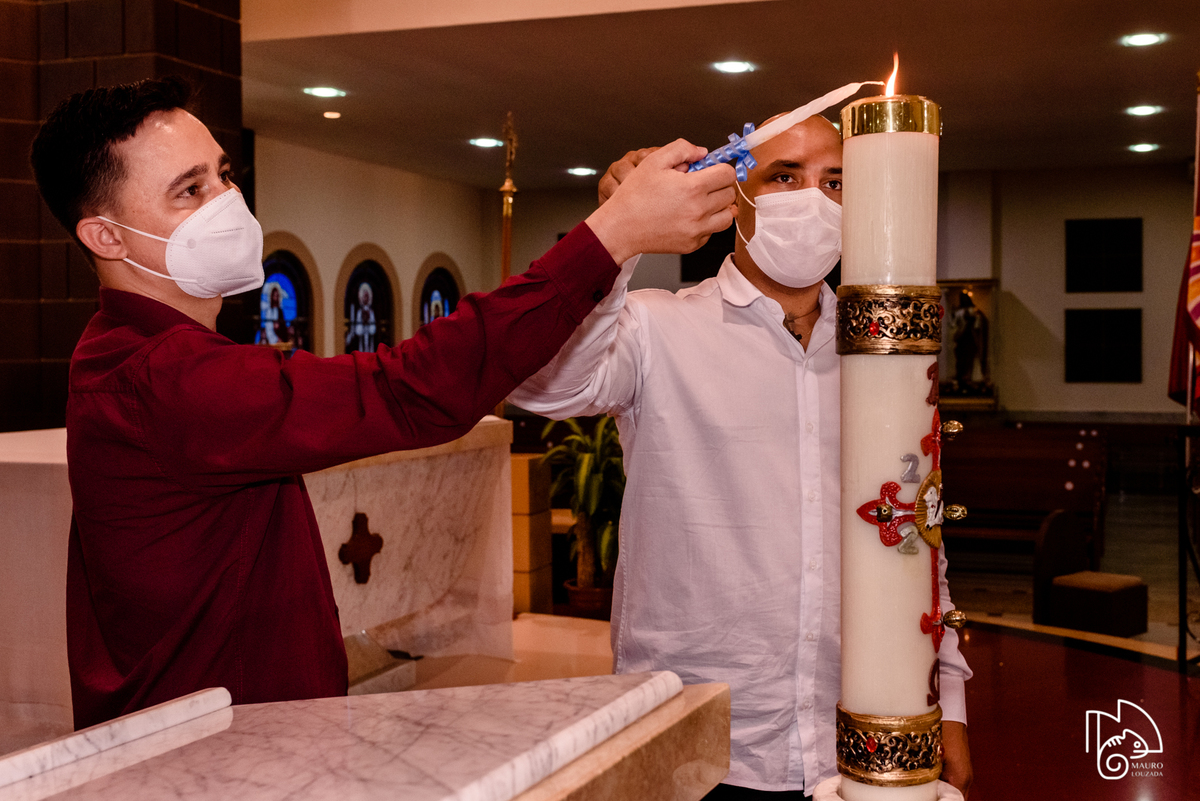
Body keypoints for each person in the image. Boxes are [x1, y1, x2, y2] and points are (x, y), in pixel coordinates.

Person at [29, 77, 737, 729]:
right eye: (188, 190)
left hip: (238, 731)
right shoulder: (163, 376)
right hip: (217, 750)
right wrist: (609, 237)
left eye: (224, 175)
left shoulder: (132, 352)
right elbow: (411, 389)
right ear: (107, 235)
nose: (225, 202)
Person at [510, 115, 974, 798]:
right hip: (693, 739)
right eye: (784, 176)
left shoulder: (883, 355)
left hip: (852, 734)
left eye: (836, 181)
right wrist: (621, 234)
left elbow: (914, 532)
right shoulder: (657, 329)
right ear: (736, 196)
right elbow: (545, 382)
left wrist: (951, 700)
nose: (813, 199)